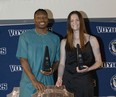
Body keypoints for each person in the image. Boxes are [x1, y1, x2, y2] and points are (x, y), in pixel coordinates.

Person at [56, 11, 102, 97]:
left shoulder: (92, 40)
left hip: (85, 82)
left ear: (81, 21)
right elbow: (62, 63)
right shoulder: (64, 42)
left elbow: (99, 62)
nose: (74, 23)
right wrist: (59, 78)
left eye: (77, 20)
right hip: (68, 82)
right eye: (72, 20)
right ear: (69, 23)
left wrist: (88, 69)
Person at [16, 9, 60, 97]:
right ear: (34, 20)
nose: (42, 20)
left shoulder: (55, 39)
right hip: (29, 84)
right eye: (38, 17)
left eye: (44, 17)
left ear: (48, 19)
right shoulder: (25, 37)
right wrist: (34, 81)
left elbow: (57, 60)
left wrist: (53, 69)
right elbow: (23, 60)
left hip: (48, 83)